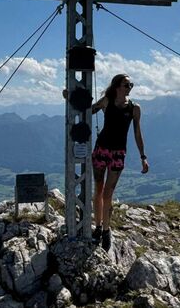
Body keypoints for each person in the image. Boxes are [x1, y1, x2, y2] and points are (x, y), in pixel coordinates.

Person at [63, 73, 148, 251]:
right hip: (101, 150)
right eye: (127, 84)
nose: (130, 87)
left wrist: (143, 157)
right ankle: (98, 226)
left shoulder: (134, 108)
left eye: (131, 85)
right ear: (117, 86)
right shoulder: (106, 101)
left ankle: (106, 230)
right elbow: (86, 111)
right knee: (99, 190)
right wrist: (70, 98)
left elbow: (137, 133)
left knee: (108, 193)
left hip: (117, 153)